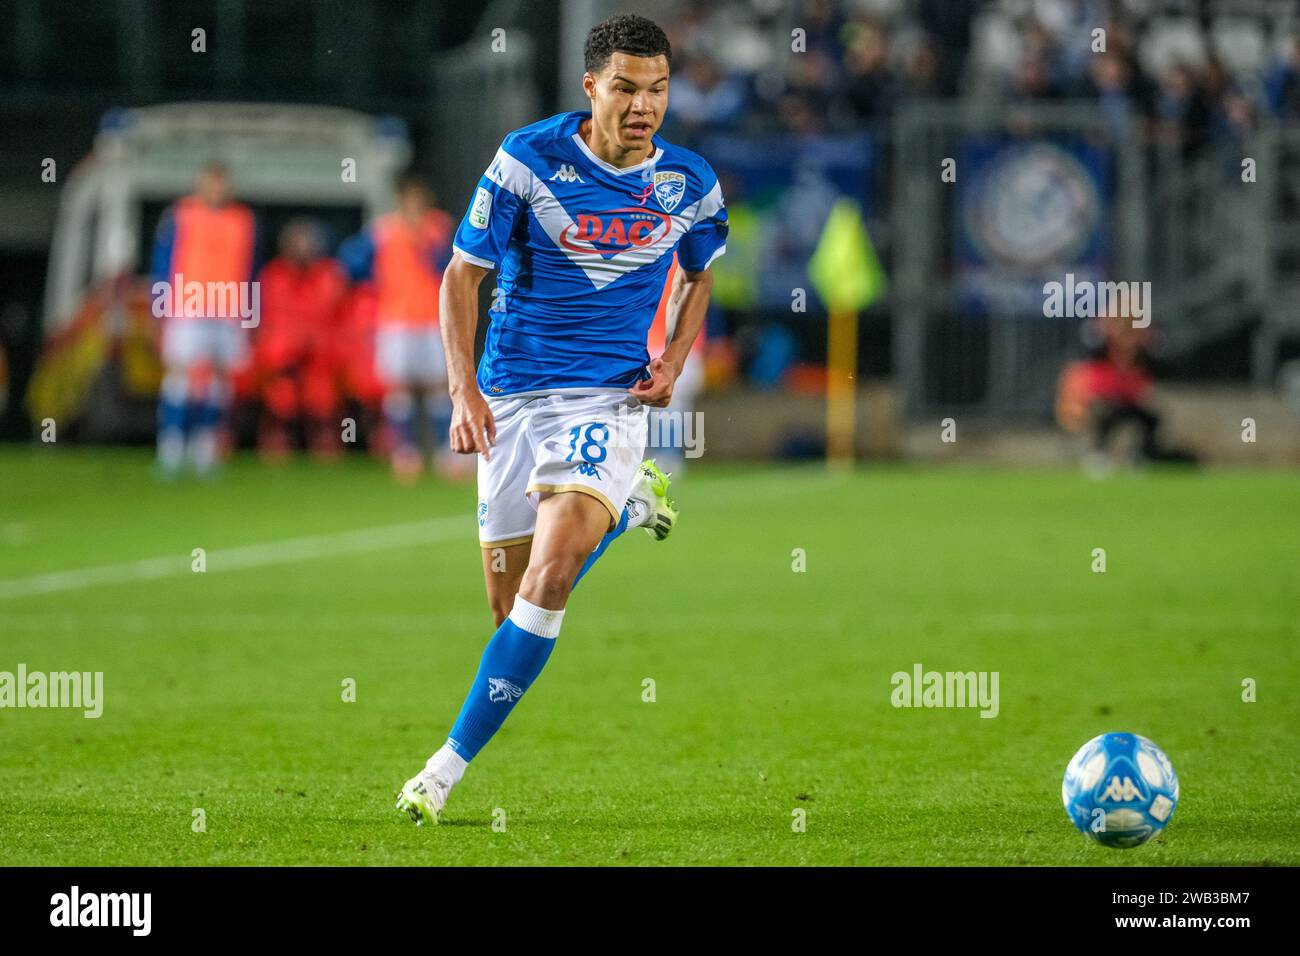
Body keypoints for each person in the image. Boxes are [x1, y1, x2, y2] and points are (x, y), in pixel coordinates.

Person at [395, 13, 727, 825]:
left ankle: (440, 772)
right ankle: (634, 505)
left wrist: (675, 360)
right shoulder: (528, 159)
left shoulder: (690, 184)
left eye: (657, 89)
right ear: (591, 87)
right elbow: (461, 277)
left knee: (551, 578)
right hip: (509, 399)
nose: (643, 105)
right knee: (512, 617)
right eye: (626, 87)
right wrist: (463, 389)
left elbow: (698, 275)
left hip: (604, 400)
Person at [339, 174, 454, 481]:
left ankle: (445, 453)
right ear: (401, 201)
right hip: (395, 320)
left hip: (432, 318)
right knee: (399, 389)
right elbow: (350, 261)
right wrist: (374, 281)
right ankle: (405, 454)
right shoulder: (384, 231)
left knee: (436, 387)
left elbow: (448, 265)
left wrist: (425, 244)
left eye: (420, 201)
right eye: (409, 200)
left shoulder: (438, 228)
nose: (415, 207)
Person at [151, 163, 257, 477]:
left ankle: (206, 448)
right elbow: (162, 263)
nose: (216, 190)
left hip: (228, 308)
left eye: (221, 184)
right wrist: (159, 311)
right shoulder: (181, 214)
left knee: (219, 380)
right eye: (211, 183)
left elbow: (251, 269)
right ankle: (170, 448)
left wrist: (251, 316)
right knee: (180, 375)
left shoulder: (243, 219)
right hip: (188, 306)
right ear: (200, 184)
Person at [252, 219, 348, 461]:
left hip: (320, 354)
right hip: (284, 353)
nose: (303, 249)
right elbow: (267, 320)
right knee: (282, 394)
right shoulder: (273, 275)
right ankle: (277, 439)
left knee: (322, 394)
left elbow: (337, 318)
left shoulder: (330, 275)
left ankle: (325, 441)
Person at [1056, 313, 1196, 469]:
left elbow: (1151, 370)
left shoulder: (1141, 354)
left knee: (1151, 419)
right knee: (1106, 417)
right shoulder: (1101, 353)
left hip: (1130, 402)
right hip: (1110, 402)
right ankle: (1099, 454)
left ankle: (1142, 455)